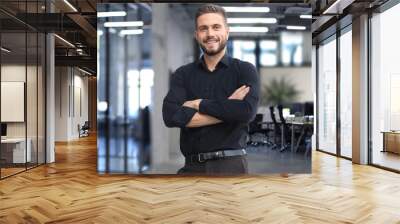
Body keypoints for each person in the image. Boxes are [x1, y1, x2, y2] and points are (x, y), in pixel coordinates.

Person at [162, 4, 260, 174]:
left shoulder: (244, 70)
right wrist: (229, 108)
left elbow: (246, 112)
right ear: (197, 35)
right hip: (192, 167)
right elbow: (170, 116)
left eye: (216, 27)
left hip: (232, 166)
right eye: (203, 28)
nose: (210, 34)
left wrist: (199, 104)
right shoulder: (183, 74)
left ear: (227, 32)